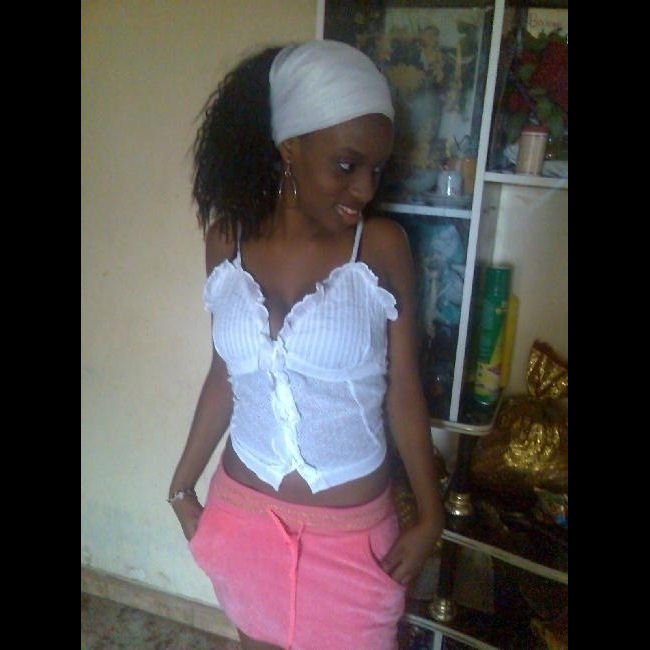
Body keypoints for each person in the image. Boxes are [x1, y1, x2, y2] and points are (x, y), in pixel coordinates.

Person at [168, 39, 445, 650]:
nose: (365, 187)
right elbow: (226, 374)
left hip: (354, 542)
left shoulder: (381, 247)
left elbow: (403, 391)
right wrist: (181, 487)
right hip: (242, 521)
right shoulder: (226, 240)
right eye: (347, 165)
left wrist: (431, 516)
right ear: (290, 147)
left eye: (376, 169)